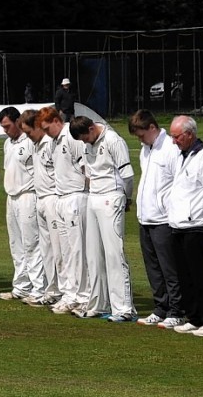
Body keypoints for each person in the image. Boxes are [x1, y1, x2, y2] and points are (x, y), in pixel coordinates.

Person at [71, 115, 136, 321]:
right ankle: (98, 304)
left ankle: (124, 308)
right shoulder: (86, 142)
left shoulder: (113, 140)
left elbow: (127, 175)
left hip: (112, 195)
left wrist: (126, 198)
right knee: (93, 254)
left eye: (85, 137)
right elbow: (87, 170)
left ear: (92, 128)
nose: (84, 142)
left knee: (114, 254)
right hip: (94, 197)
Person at [165, 115, 203, 337]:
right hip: (179, 224)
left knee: (202, 275)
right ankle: (194, 317)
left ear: (190, 134)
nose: (174, 141)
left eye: (177, 136)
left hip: (197, 224)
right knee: (185, 275)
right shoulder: (183, 155)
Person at [129, 109, 185, 327]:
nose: (140, 140)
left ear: (152, 128)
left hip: (164, 218)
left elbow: (177, 183)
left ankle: (177, 310)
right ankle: (160, 308)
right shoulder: (146, 149)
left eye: (141, 135)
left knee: (169, 268)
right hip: (146, 217)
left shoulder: (170, 148)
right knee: (152, 268)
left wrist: (171, 210)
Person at [39, 105, 89, 314]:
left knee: (78, 251)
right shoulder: (53, 141)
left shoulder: (71, 137)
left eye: (47, 127)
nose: (46, 133)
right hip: (61, 197)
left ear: (57, 121)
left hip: (75, 196)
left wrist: (88, 190)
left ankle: (84, 296)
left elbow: (87, 167)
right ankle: (70, 294)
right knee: (66, 251)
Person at [0, 106, 45, 303]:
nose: (5, 130)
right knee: (16, 244)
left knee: (31, 244)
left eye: (8, 126)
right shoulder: (8, 143)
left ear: (18, 122)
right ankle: (21, 286)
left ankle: (39, 288)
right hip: (12, 196)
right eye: (2, 127)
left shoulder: (31, 141)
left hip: (28, 195)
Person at [22, 108, 62, 305]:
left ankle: (63, 291)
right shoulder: (36, 145)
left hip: (53, 198)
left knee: (58, 248)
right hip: (40, 198)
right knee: (46, 249)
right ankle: (51, 289)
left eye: (29, 132)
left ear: (39, 126)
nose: (28, 137)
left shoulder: (50, 143)